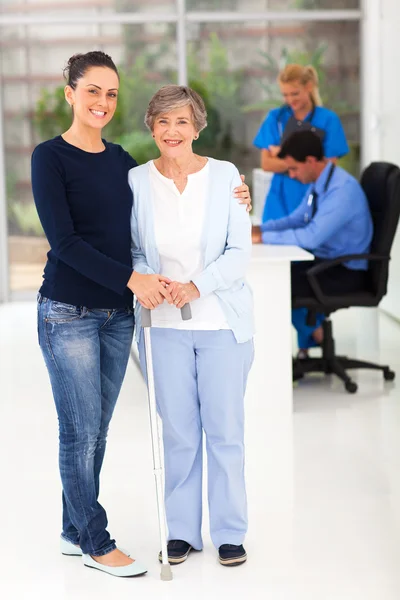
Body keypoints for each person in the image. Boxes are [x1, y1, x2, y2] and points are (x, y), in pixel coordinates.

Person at [31, 51, 252, 578]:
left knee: (116, 431)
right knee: (101, 432)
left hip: (162, 317)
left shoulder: (149, 168)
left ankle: (221, 533)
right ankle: (126, 535)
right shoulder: (84, 164)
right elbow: (85, 242)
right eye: (92, 92)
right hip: (107, 316)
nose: (102, 102)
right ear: (71, 94)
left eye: (111, 94)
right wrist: (138, 280)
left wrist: (240, 197)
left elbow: (220, 248)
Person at [129, 85, 255, 567]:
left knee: (225, 430)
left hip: (221, 322)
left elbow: (238, 255)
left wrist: (196, 286)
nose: (172, 131)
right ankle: (181, 529)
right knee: (179, 431)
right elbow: (136, 249)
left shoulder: (226, 178)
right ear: (152, 128)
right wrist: (151, 281)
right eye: (163, 122)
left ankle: (229, 531)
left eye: (182, 121)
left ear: (197, 128)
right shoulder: (137, 182)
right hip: (161, 324)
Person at [252, 130, 373, 354]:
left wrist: (263, 239)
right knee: (278, 276)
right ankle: (316, 334)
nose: (292, 175)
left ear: (310, 161)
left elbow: (310, 236)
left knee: (278, 286)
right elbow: (297, 219)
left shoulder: (341, 190)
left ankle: (314, 336)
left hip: (345, 270)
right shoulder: (321, 182)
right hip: (327, 261)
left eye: (293, 168)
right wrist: (260, 229)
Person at [254, 63, 349, 222]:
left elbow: (328, 167)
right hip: (278, 201)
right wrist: (306, 161)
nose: (290, 100)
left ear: (309, 87)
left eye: (295, 93)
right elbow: (267, 164)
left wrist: (282, 154)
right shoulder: (275, 118)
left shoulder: (328, 120)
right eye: (285, 95)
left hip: (312, 197)